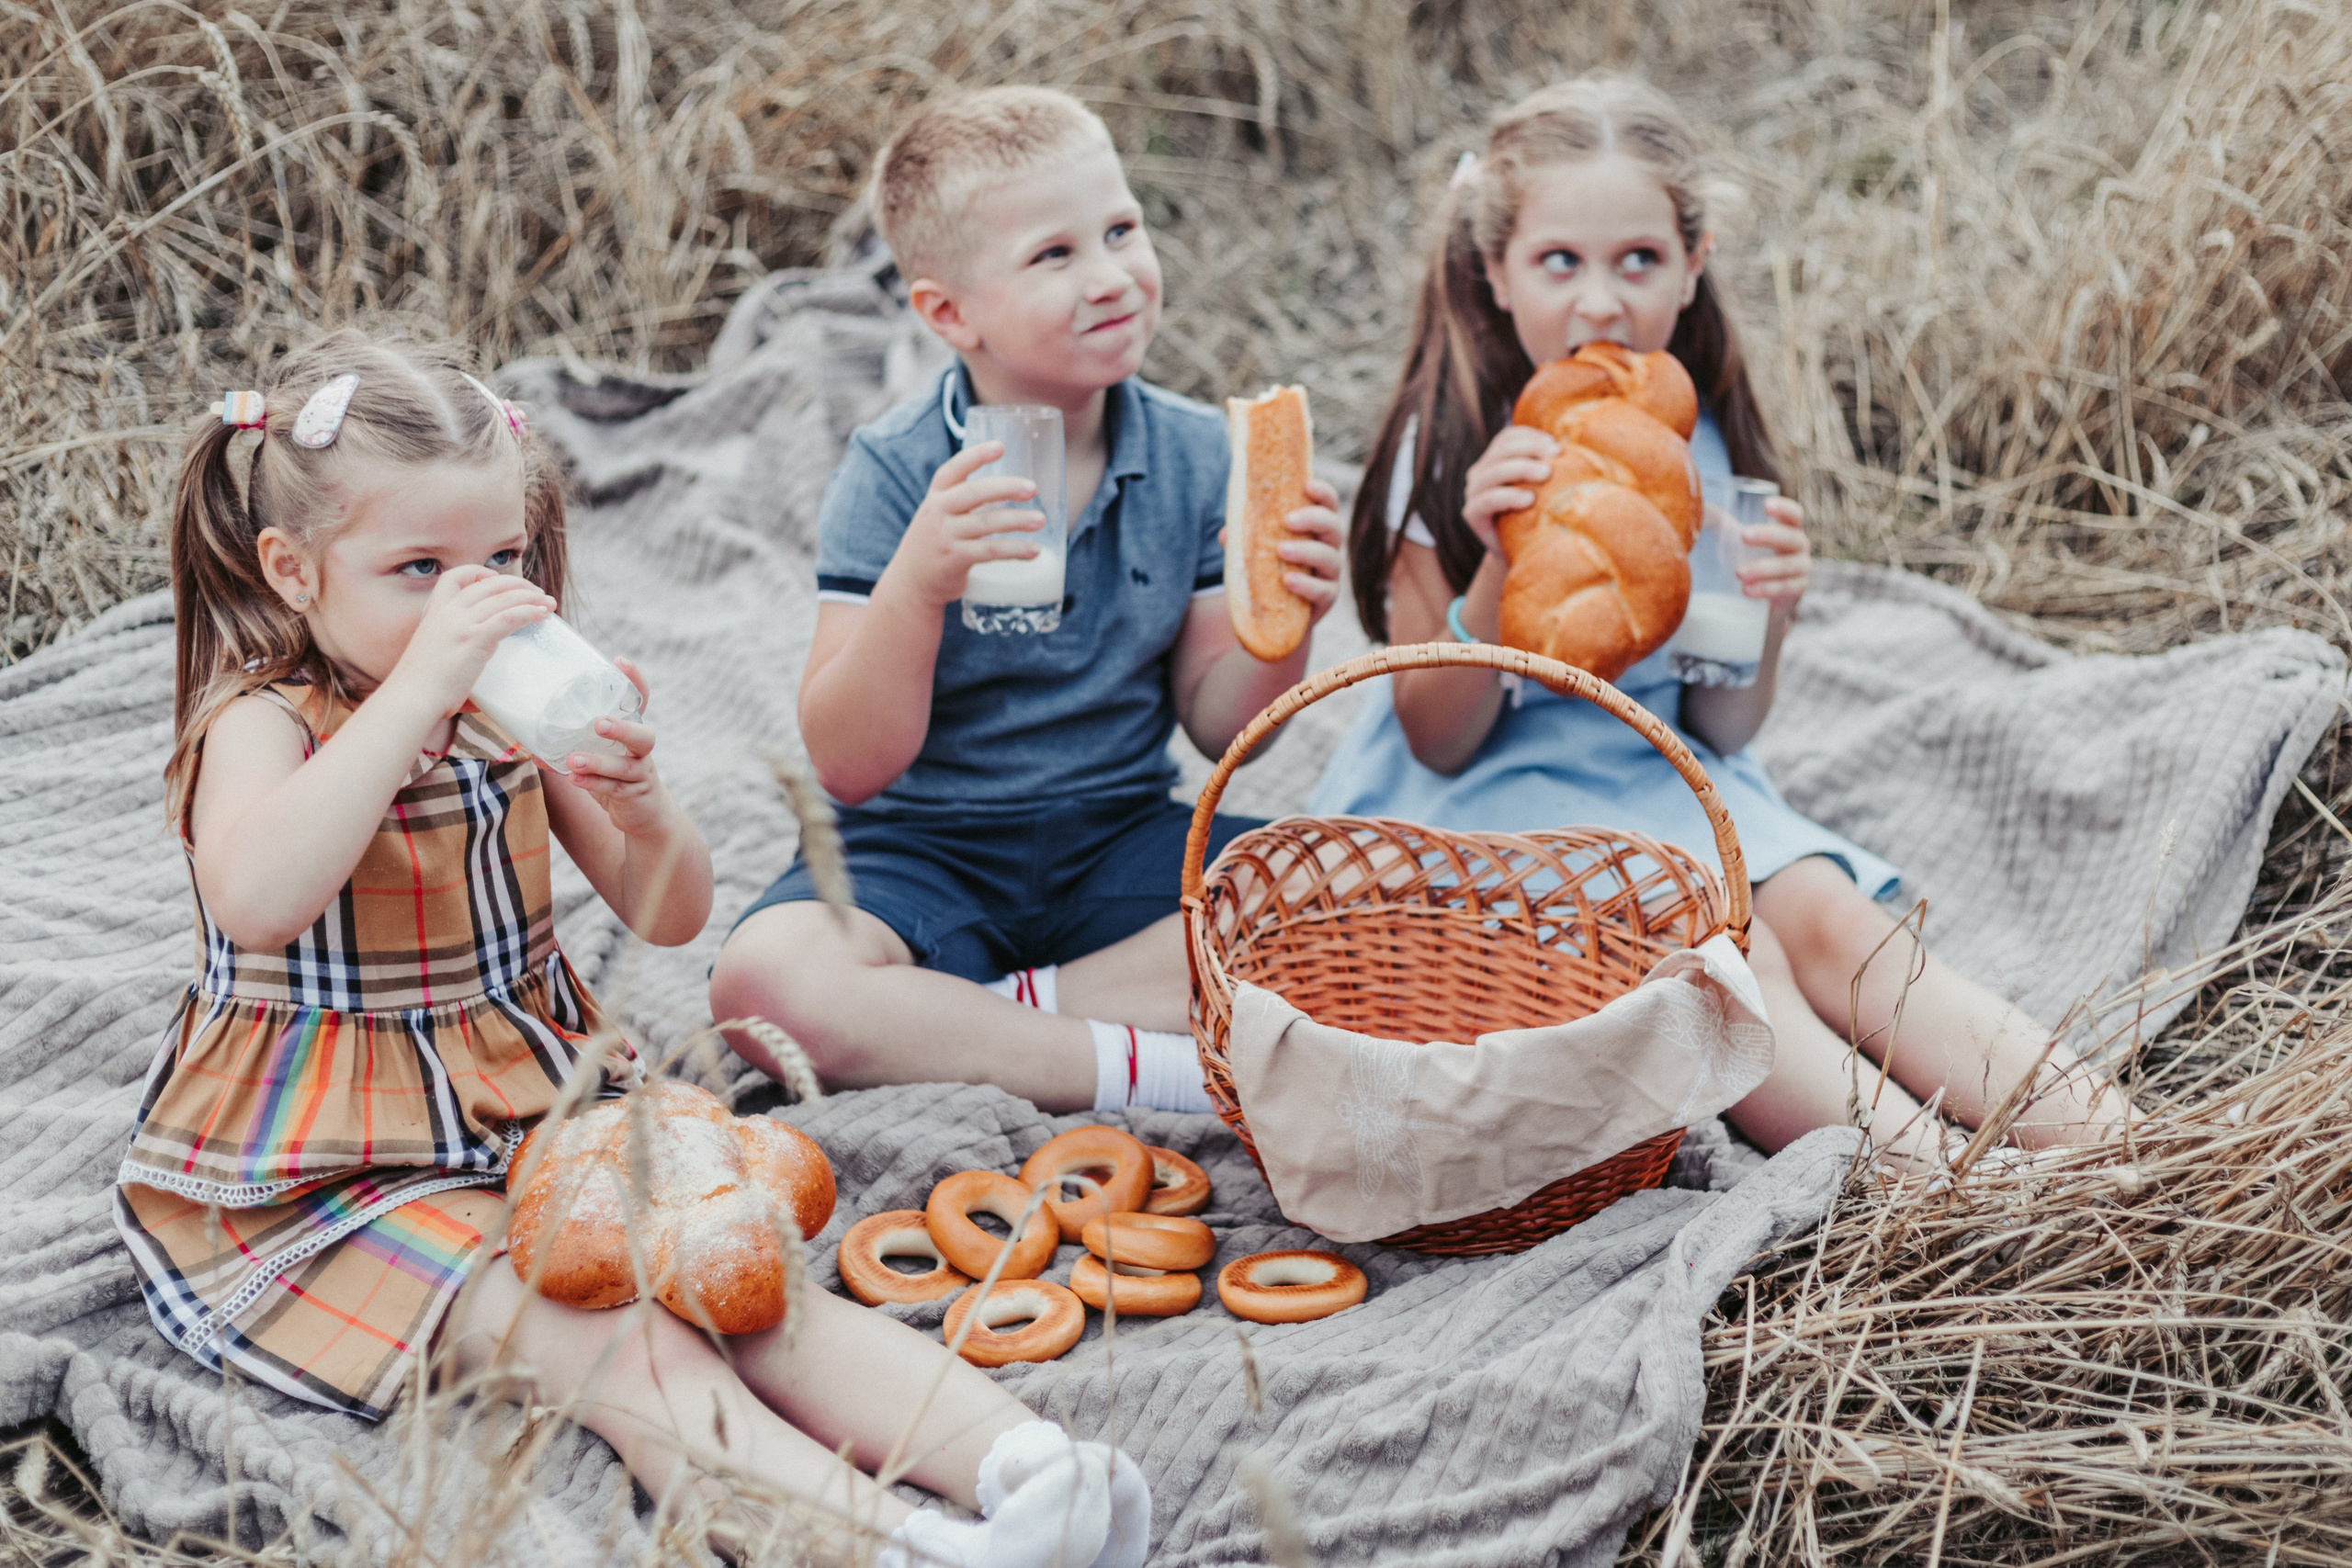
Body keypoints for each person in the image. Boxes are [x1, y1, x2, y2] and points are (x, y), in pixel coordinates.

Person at [119, 330, 1145, 1568]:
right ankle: (891, 1545)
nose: (472, 597)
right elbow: (260, 896)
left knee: (748, 1284)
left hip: (535, 1110)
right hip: (334, 1166)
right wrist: (414, 693)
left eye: (498, 559)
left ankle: (1027, 1467)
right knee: (629, 1348)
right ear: (292, 569)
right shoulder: (261, 721)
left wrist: (643, 801)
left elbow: (666, 908)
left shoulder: (505, 718)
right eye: (419, 568)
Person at [1313, 76, 2126, 1165]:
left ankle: (2118, 1145)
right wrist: (1495, 562)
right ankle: (1956, 1200)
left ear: (1691, 267)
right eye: (1561, 262)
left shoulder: (1701, 450)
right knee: (1738, 962)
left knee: (1836, 919)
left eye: (1637, 261)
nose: (1600, 302)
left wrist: (1770, 616)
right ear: (1495, 273)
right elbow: (1437, 734)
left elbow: (1726, 723)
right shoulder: (1455, 451)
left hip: (1670, 766)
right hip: (1497, 798)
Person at [709, 87, 1346, 1115]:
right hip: (917, 853)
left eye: (1120, 231)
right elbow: (847, 762)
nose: (1110, 278)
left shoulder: (1192, 453)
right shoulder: (896, 470)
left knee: (1352, 885)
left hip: (1116, 838)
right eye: (1054, 256)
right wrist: (918, 585)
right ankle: (1152, 1068)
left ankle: (995, 1017)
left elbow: (1221, 720)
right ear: (948, 314)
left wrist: (1291, 621)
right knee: (762, 987)